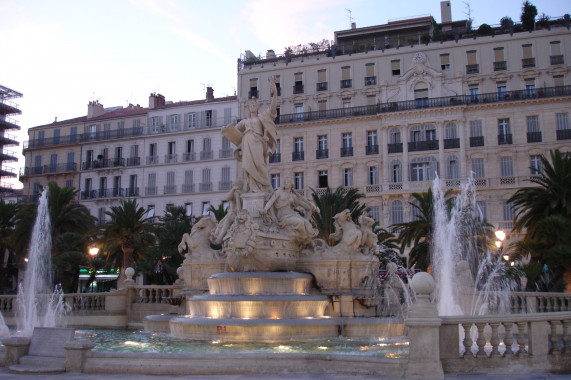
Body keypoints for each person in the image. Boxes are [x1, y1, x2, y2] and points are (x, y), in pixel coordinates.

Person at [222, 77, 278, 193]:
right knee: (248, 166)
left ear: (258, 107)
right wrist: (226, 129)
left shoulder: (262, 117)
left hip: (257, 142)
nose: (252, 106)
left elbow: (272, 108)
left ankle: (266, 186)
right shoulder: (245, 121)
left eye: (254, 105)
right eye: (250, 105)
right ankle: (252, 188)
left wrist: (275, 93)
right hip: (246, 142)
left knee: (259, 163)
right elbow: (234, 130)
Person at [262, 179, 317, 244]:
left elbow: (305, 206)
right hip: (283, 216)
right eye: (285, 182)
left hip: (291, 214)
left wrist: (313, 207)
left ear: (291, 184)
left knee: (306, 223)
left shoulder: (293, 196)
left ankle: (304, 238)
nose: (286, 183)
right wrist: (265, 209)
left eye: (288, 182)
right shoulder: (279, 192)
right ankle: (304, 238)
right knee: (300, 222)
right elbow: (271, 201)